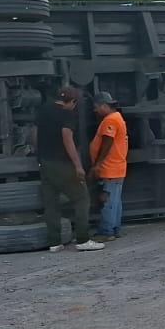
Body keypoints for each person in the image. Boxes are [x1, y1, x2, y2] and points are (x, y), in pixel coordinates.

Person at [35, 86, 104, 252]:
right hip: (63, 163)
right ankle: (83, 239)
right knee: (82, 198)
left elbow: (34, 134)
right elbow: (67, 138)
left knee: (51, 203)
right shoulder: (68, 114)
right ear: (72, 102)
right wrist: (78, 165)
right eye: (75, 104)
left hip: (45, 163)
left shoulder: (43, 110)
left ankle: (54, 243)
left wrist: (41, 154)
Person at [89, 91, 129, 242]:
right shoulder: (117, 117)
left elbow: (107, 142)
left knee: (108, 200)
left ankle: (106, 232)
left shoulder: (110, 121)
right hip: (117, 166)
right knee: (115, 200)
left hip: (110, 167)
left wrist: (97, 164)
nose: (95, 110)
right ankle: (114, 228)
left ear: (104, 106)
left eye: (96, 107)